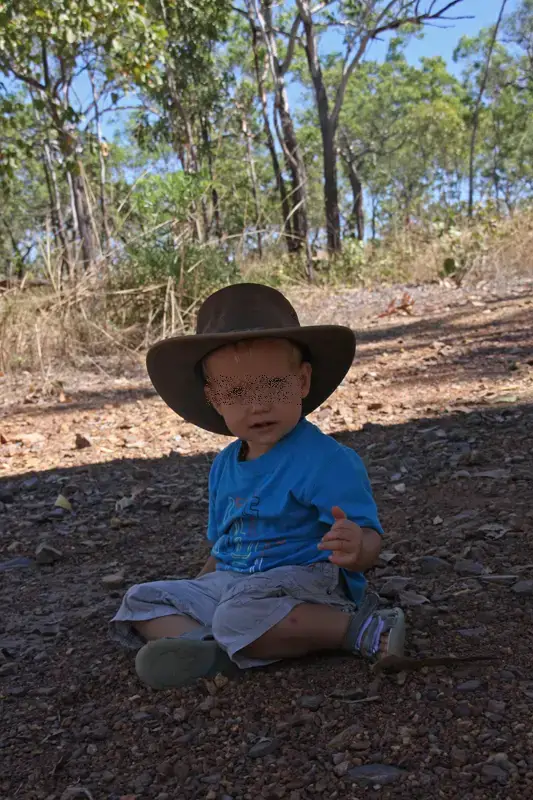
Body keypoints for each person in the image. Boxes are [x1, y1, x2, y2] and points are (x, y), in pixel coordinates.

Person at [110, 283, 405, 689]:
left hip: (304, 585)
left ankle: (360, 629)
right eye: (236, 392)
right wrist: (197, 593)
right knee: (141, 599)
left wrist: (357, 548)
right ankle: (212, 648)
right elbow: (223, 546)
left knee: (237, 612)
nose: (258, 405)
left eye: (272, 386)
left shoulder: (326, 460)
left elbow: (369, 539)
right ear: (214, 398)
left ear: (301, 381)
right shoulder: (224, 466)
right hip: (235, 584)